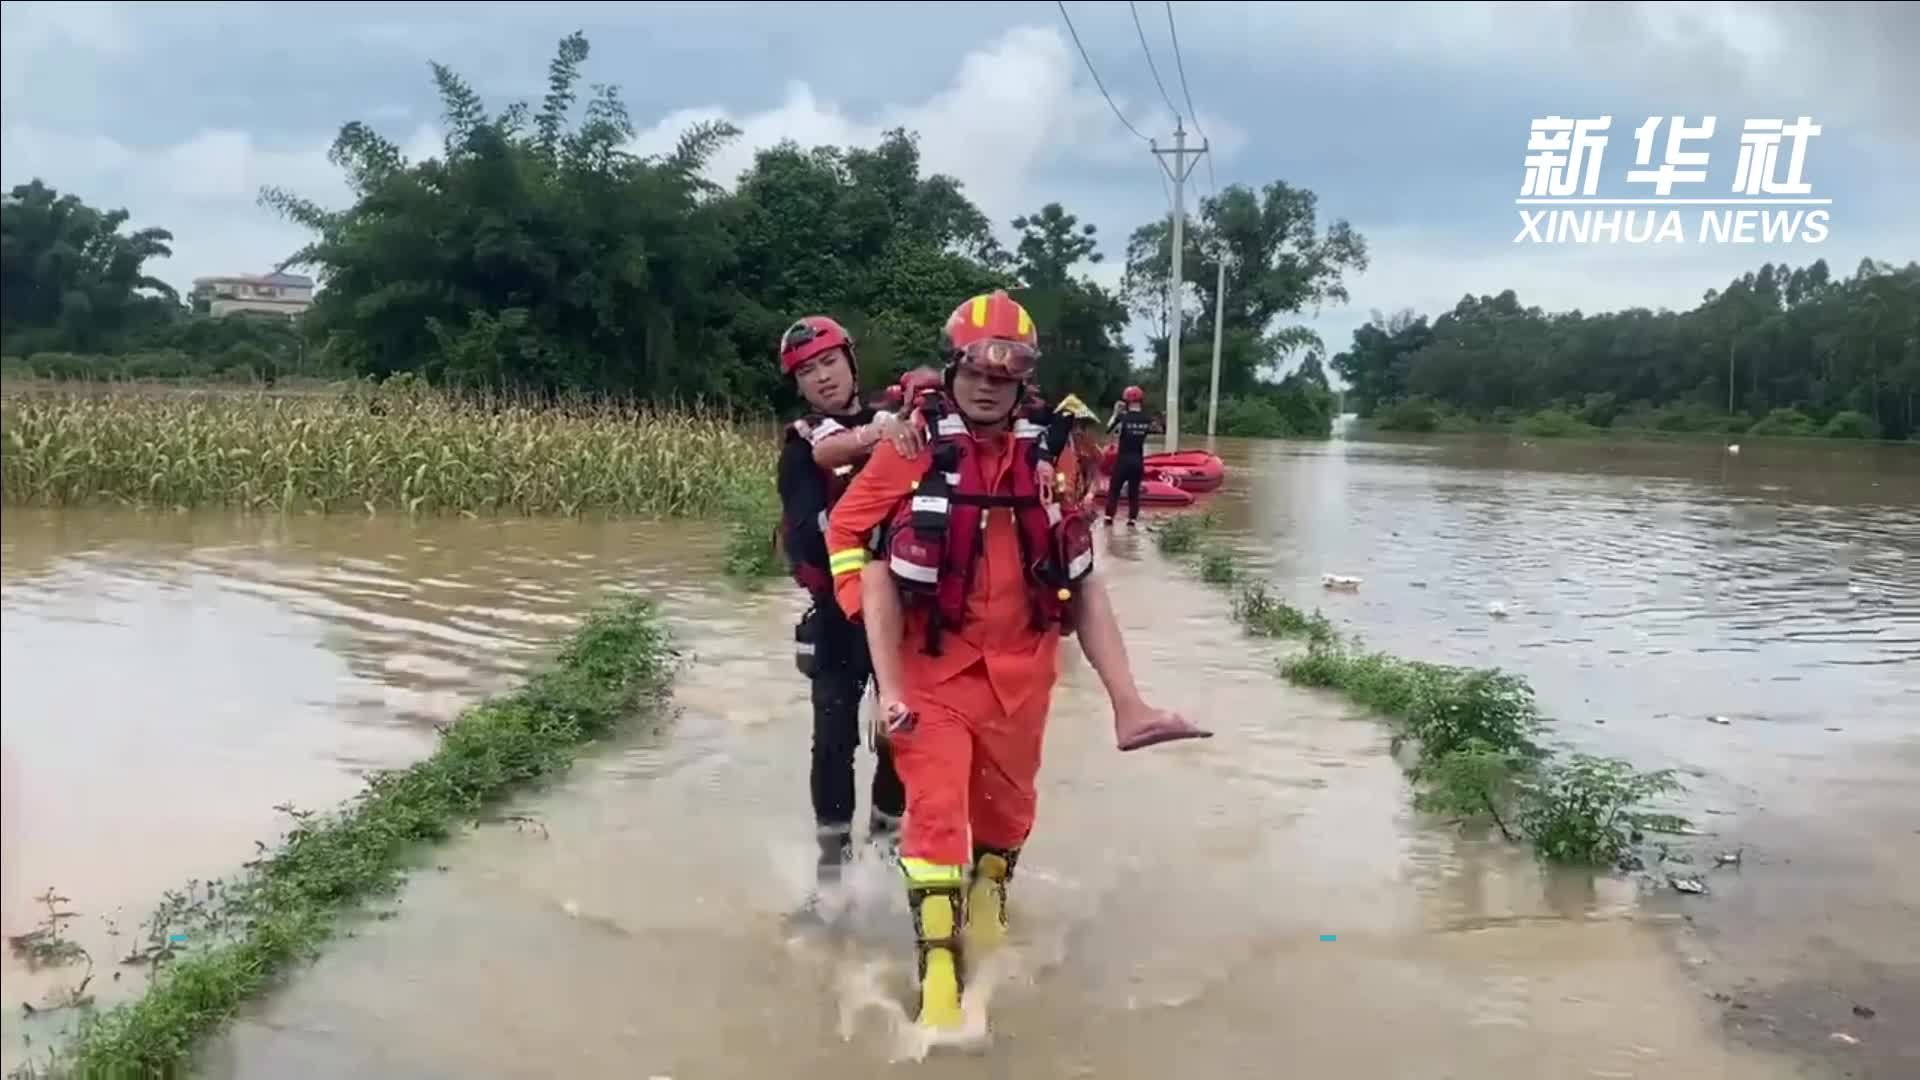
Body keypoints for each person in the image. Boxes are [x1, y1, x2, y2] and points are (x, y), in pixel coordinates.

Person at [824, 290, 1211, 1031]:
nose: (986, 386)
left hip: (1023, 671)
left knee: (1006, 814)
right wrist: (866, 622)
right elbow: (849, 535)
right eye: (975, 370)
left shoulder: (1054, 455)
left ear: (1023, 383)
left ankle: (993, 892)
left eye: (1004, 377)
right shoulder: (911, 447)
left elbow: (1083, 576)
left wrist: (1128, 701)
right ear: (953, 368)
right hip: (929, 670)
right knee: (934, 814)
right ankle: (939, 975)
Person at [774, 315, 920, 913]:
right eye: (808, 372)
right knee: (832, 742)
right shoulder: (803, 443)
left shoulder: (903, 423)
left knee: (899, 737)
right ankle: (832, 874)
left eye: (829, 362)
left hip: (902, 614)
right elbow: (809, 533)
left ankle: (885, 847)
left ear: (851, 363)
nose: (822, 377)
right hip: (838, 613)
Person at [1104, 385, 1156, 527]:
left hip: (1123, 461)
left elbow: (1108, 430)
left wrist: (1116, 413)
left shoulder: (1122, 417)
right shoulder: (1147, 419)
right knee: (1134, 493)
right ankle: (1132, 521)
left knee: (1114, 490)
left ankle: (1109, 519)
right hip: (1138, 461)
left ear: (1127, 401)